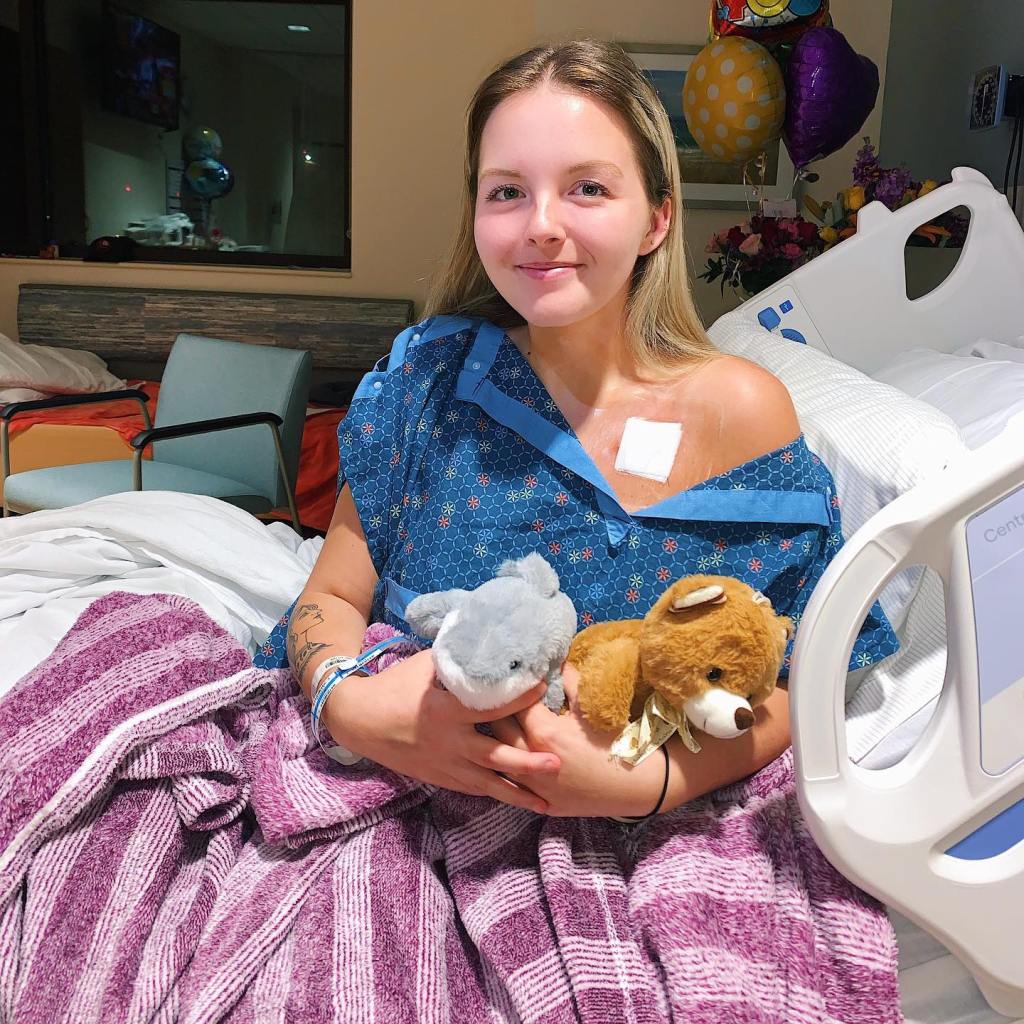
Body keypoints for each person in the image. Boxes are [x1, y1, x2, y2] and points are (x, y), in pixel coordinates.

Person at [253, 39, 901, 1020]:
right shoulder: (431, 382)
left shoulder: (743, 412)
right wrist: (351, 706)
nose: (540, 227)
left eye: (587, 189)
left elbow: (802, 663)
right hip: (395, 784)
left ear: (657, 217)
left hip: (652, 816)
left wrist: (659, 780)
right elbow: (331, 596)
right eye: (506, 191)